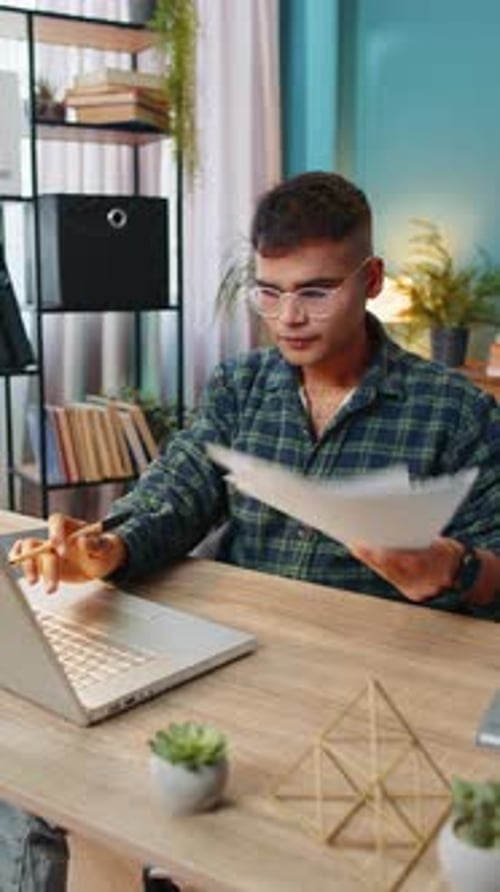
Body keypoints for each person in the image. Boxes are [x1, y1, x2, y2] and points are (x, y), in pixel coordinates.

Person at [4, 171, 500, 891]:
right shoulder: (240, 387)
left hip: (378, 689)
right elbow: (171, 500)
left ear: (370, 280)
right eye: (268, 292)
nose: (286, 317)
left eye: (313, 292)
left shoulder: (456, 410)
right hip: (240, 661)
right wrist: (107, 546)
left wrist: (449, 568)